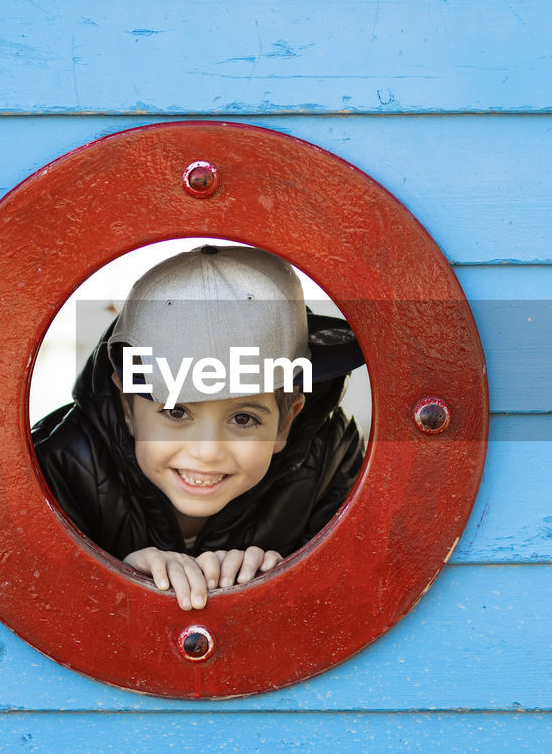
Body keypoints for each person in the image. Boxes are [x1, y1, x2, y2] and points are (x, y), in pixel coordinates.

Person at [32, 245, 365, 611]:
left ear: (286, 422)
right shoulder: (59, 469)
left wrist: (276, 582)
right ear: (127, 405)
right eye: (176, 412)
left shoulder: (328, 463)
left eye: (243, 419)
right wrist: (117, 579)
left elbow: (350, 604)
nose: (207, 451)